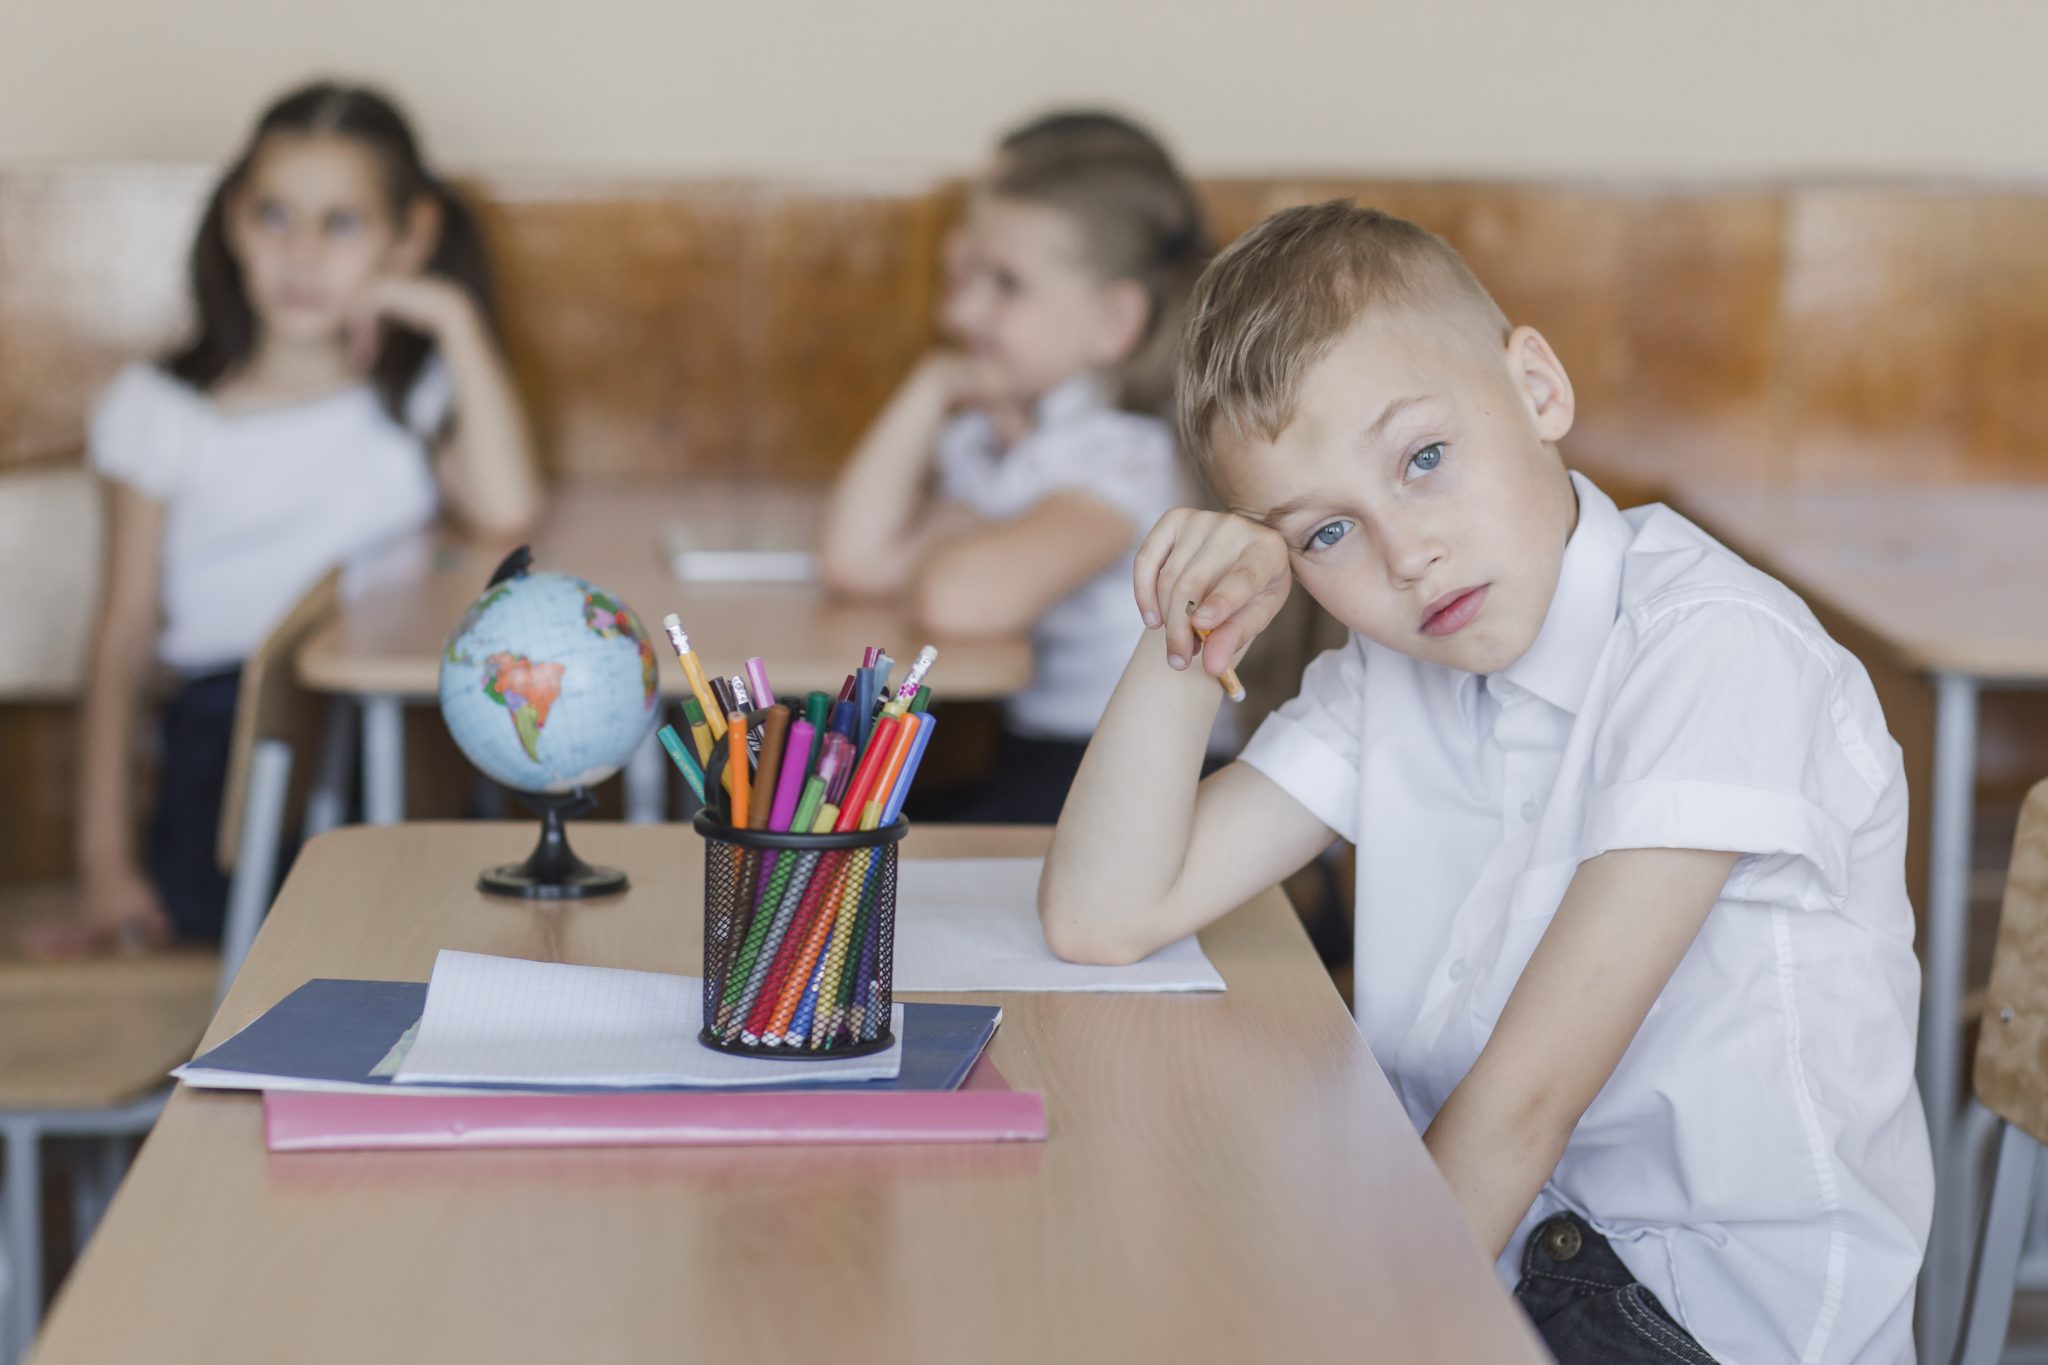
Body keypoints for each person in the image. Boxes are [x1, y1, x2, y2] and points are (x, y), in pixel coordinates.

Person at [1040, 200, 1930, 1363]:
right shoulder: (1391, 673)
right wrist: (1190, 624)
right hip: (1489, 1248)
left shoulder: (1711, 650)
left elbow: (1523, 1108)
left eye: (1422, 459)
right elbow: (1104, 913)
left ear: (1537, 389)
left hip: (1696, 1317)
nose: (1406, 554)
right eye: (1324, 536)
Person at [33, 81, 541, 955]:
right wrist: (104, 859)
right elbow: (120, 638)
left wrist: (450, 316)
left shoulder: (406, 397)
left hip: (394, 725)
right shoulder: (163, 411)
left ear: (409, 236)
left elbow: (509, 506)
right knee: (295, 951)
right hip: (228, 740)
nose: (302, 253)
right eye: (276, 216)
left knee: (435, 903)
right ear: (234, 221)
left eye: (342, 224)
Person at [820, 140, 1210, 821]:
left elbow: (960, 599)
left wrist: (955, 534)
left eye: (1005, 284)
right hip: (1055, 761)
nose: (960, 314)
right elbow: (857, 560)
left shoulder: (1125, 456)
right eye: (966, 279)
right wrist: (933, 383)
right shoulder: (1014, 439)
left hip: (1148, 784)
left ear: (1115, 321)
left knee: (866, 844)